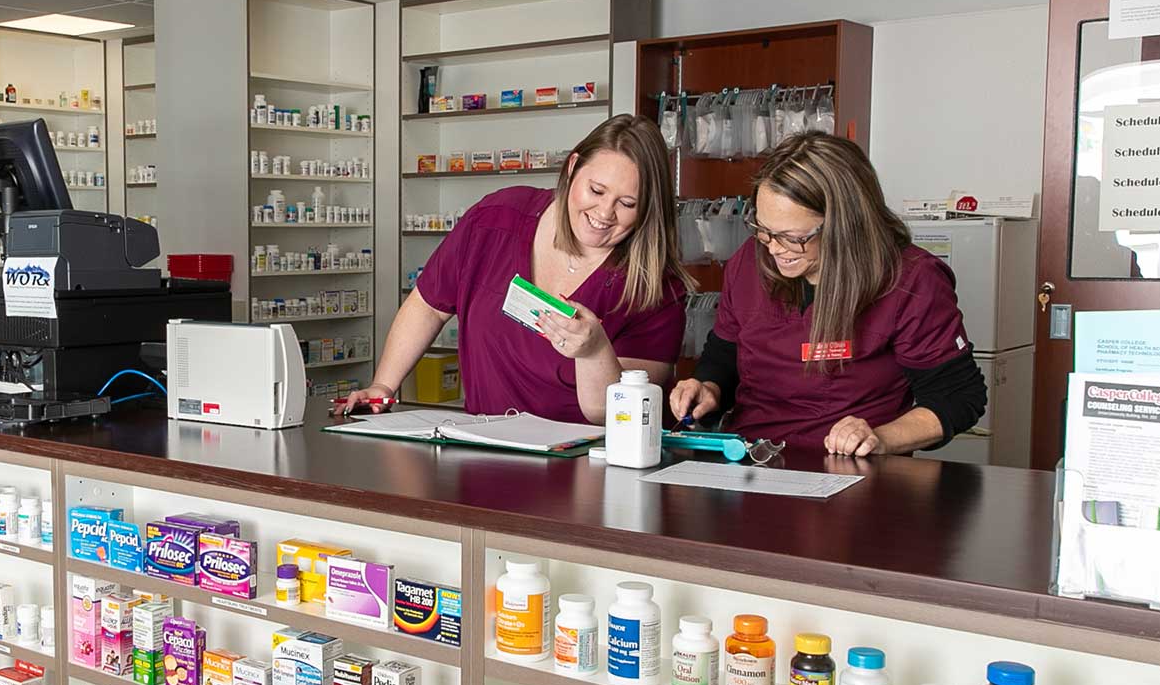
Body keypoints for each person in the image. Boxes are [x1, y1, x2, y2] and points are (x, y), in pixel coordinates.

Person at [337, 114, 688, 424]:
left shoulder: (655, 289)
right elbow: (428, 306)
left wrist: (594, 352)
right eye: (596, 190)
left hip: (581, 472)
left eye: (627, 203)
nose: (605, 213)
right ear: (572, 167)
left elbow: (611, 417)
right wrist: (383, 386)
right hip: (482, 454)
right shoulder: (497, 220)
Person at [669, 132, 985, 456]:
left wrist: (879, 438)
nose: (774, 249)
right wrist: (707, 387)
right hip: (753, 461)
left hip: (849, 471)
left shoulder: (912, 280)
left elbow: (958, 397)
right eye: (764, 230)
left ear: (843, 227)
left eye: (793, 237)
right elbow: (724, 355)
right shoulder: (748, 263)